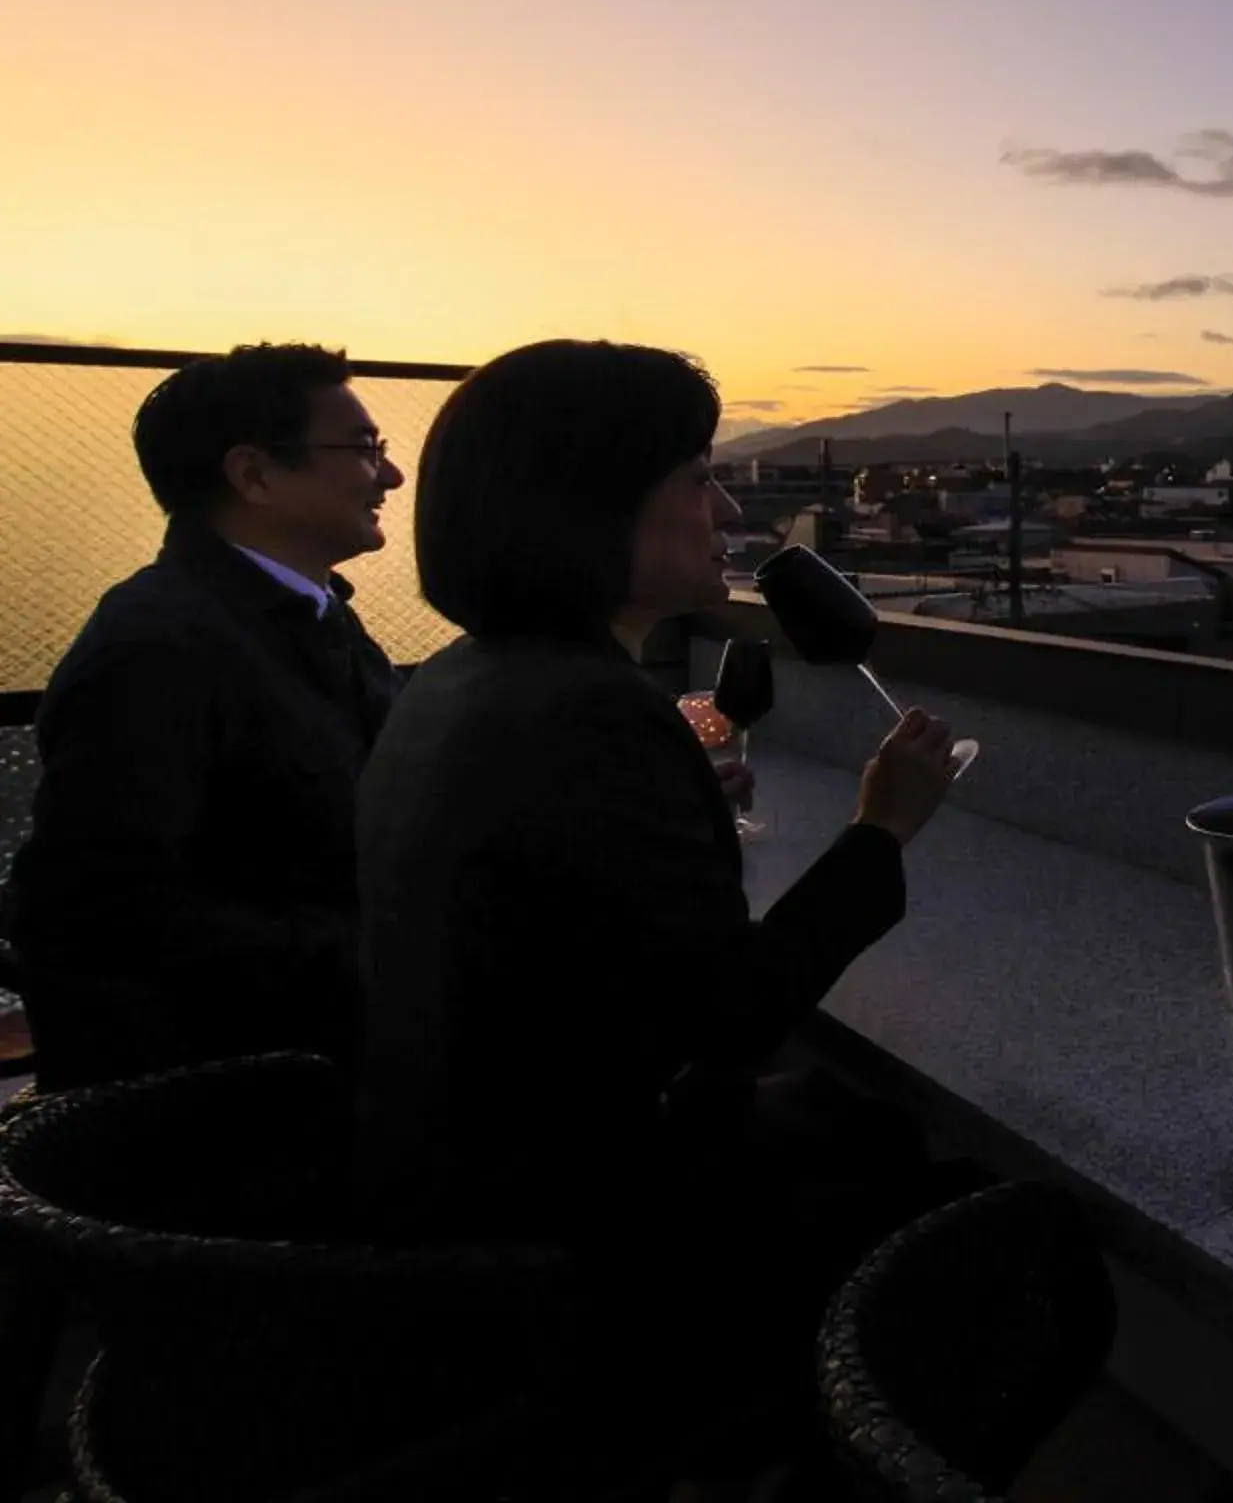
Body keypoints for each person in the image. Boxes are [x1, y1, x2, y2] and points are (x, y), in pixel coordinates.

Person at [353, 340, 1084, 1486]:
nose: (729, 503)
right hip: (578, 1235)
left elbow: (580, 940)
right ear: (588, 511)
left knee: (864, 1127)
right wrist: (879, 830)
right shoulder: (590, 711)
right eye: (698, 478)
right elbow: (728, 1019)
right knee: (1030, 1248)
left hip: (452, 1185)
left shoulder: (463, 678)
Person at [3, 343, 405, 1089]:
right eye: (362, 449)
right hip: (243, 1107)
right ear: (253, 474)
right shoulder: (158, 648)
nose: (389, 473)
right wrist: (379, 953)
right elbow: (94, 913)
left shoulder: (312, 619)